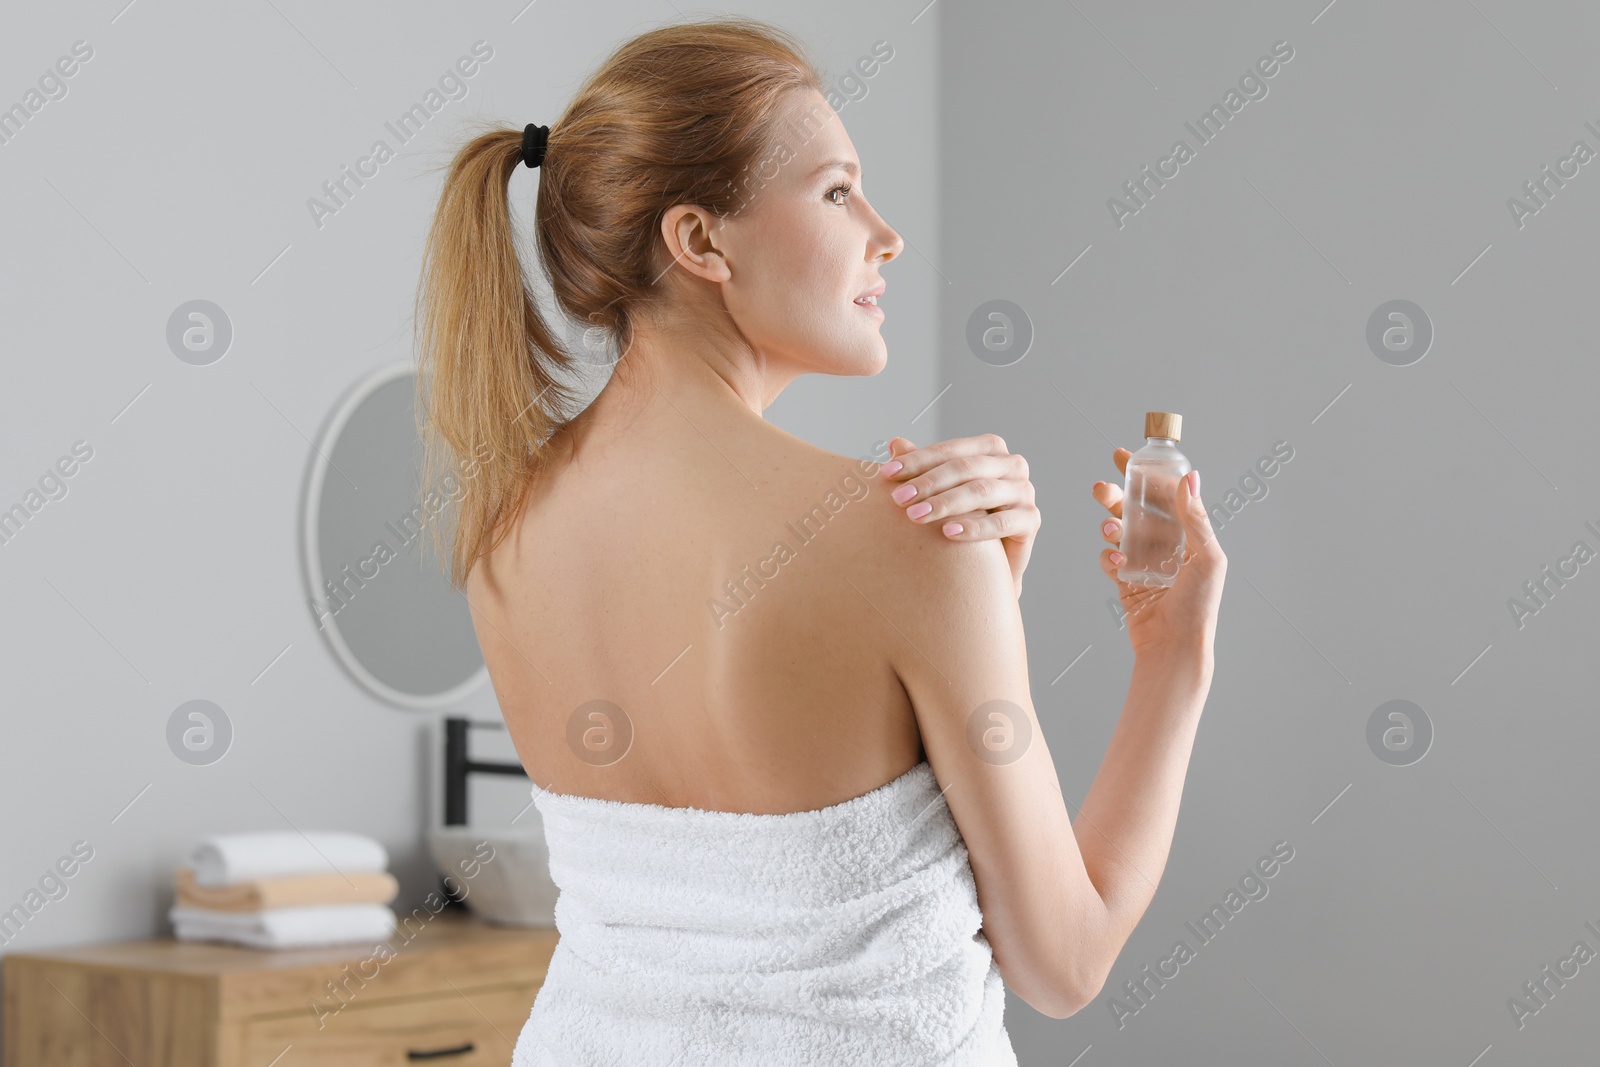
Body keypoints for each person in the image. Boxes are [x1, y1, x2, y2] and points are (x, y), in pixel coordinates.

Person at [412, 15, 1225, 1065]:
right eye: (837, 190)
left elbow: (755, 858)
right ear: (700, 241)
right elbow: (1061, 962)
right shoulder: (910, 544)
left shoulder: (505, 531)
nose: (884, 233)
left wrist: (982, 599)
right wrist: (1172, 656)